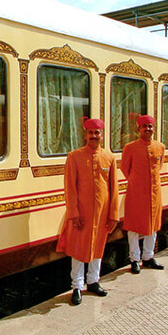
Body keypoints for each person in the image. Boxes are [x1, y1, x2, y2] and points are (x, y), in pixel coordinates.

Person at [56, 118, 119, 306]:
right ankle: (76, 286)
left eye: (97, 133)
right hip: (81, 213)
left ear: (102, 135)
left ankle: (93, 281)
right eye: (90, 133)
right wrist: (73, 213)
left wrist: (113, 215)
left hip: (102, 213)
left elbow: (114, 188)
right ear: (85, 135)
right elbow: (70, 187)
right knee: (78, 249)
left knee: (98, 247)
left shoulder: (109, 157)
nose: (94, 136)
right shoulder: (74, 156)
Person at [120, 115, 165, 273]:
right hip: (136, 193)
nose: (148, 129)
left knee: (152, 225)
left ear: (154, 128)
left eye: (150, 126)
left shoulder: (160, 147)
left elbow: (159, 166)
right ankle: (134, 259)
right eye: (144, 126)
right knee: (134, 226)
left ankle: (148, 256)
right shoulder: (130, 147)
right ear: (138, 129)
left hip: (154, 193)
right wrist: (137, 182)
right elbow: (125, 169)